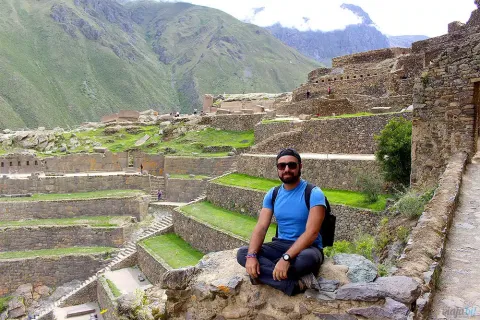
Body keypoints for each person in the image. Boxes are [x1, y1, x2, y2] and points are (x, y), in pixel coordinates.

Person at [237, 148, 326, 296]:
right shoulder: (273, 194)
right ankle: (294, 285)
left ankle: (263, 275)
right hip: (281, 244)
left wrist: (286, 258)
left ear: (300, 166)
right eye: (281, 166)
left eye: (291, 165)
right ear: (277, 169)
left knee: (305, 261)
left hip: (308, 247)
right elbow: (261, 227)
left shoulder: (314, 193)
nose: (286, 169)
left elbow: (312, 233)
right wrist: (252, 257)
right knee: (243, 254)